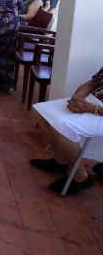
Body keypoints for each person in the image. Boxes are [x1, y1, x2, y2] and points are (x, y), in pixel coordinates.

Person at [29, 67, 103, 195]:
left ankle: (80, 176)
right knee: (40, 111)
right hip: (91, 103)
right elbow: (93, 83)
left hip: (98, 111)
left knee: (62, 125)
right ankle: (61, 160)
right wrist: (76, 99)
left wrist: (93, 109)